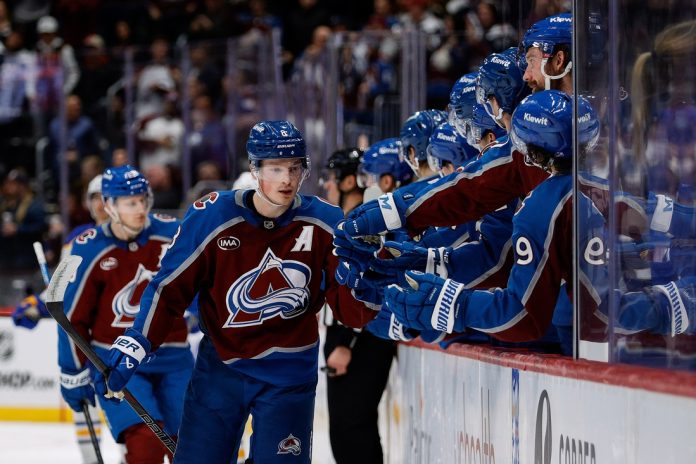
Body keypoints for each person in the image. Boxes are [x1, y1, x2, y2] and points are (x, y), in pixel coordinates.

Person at [97, 120, 375, 463]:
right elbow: (169, 290)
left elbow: (351, 312)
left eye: (294, 168)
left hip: (289, 374)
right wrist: (138, 341)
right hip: (221, 369)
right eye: (276, 169)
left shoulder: (325, 221)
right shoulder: (212, 216)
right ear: (255, 169)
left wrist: (367, 285)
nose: (287, 180)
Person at [383, 91, 603, 344]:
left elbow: (515, 301)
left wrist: (454, 304)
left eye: (473, 132)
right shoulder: (595, 191)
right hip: (572, 322)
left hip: (560, 327)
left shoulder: (539, 205)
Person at [57, 165, 193, 464]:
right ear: (109, 206)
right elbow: (72, 318)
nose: (140, 209)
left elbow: (199, 288)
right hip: (116, 362)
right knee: (145, 443)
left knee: (190, 444)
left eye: (143, 200)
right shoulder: (89, 248)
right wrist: (72, 372)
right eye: (131, 203)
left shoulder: (172, 233)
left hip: (174, 357)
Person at [12, 174, 109, 464]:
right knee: (84, 405)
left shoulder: (137, 238)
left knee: (132, 412)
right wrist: (37, 304)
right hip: (85, 336)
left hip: (123, 333)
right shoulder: (78, 238)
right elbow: (63, 285)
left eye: (106, 197)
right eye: (95, 197)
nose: (101, 204)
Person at [320, 147, 396, 464]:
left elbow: (369, 286)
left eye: (332, 177)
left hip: (360, 339)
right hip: (349, 335)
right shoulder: (348, 222)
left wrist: (345, 342)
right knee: (346, 427)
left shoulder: (365, 224)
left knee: (352, 426)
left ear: (349, 181)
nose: (326, 184)